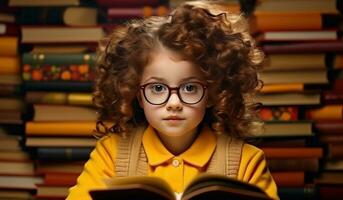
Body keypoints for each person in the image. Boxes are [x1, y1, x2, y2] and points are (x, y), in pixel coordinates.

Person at [67, 1, 279, 199]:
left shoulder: (246, 161)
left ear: (213, 94)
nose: (174, 103)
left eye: (190, 88)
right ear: (137, 95)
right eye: (158, 88)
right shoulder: (111, 153)